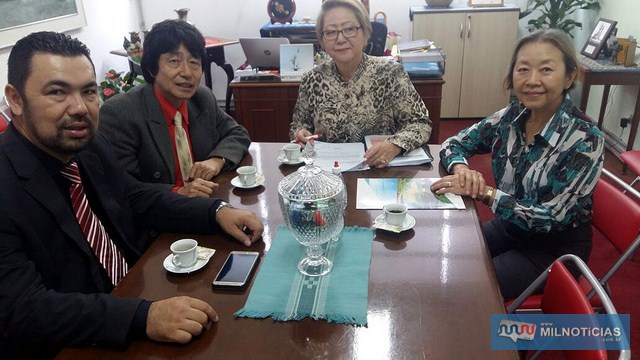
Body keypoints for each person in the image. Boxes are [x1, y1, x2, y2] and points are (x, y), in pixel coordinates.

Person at [0, 31, 264, 358]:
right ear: (15, 99)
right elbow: (21, 309)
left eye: (88, 91)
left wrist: (215, 212)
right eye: (57, 92)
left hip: (136, 286)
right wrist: (142, 316)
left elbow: (135, 197)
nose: (79, 107)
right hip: (72, 342)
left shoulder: (88, 146)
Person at [431, 29, 604, 299]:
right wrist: (462, 170)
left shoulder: (584, 138)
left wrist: (485, 193)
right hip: (510, 228)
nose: (532, 80)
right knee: (446, 257)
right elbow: (454, 143)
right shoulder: (512, 116)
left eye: (546, 70)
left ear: (570, 76)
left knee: (467, 286)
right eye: (523, 69)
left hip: (552, 250)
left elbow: (552, 217)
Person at [99, 20, 250, 198]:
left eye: (194, 62)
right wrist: (178, 193)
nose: (186, 72)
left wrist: (217, 160)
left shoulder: (202, 98)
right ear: (151, 67)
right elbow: (124, 187)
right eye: (174, 61)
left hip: (207, 205)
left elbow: (238, 133)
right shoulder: (121, 113)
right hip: (157, 217)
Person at [289, 0, 432, 168]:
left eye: (349, 29)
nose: (340, 39)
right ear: (322, 39)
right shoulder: (311, 79)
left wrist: (394, 146)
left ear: (365, 32)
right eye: (331, 32)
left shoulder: (390, 73)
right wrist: (300, 134)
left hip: (379, 173)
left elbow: (420, 123)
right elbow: (298, 126)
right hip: (328, 175)